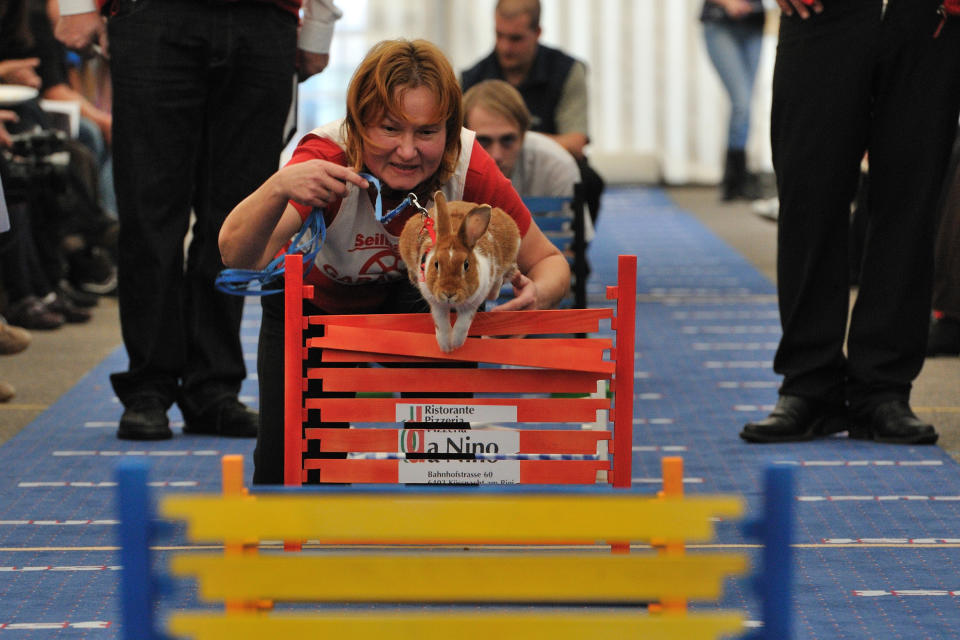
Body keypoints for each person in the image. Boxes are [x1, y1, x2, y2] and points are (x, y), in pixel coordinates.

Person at [218, 39, 571, 485]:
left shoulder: (467, 165)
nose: (407, 151)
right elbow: (237, 256)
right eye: (389, 129)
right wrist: (278, 188)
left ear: (447, 132)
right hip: (320, 307)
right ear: (358, 125)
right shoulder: (326, 158)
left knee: (446, 470)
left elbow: (550, 262)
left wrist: (539, 294)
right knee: (293, 475)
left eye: (426, 132)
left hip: (421, 306)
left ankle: (438, 489)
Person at [54, 0, 342, 441]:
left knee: (241, 214)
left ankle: (215, 387)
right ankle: (149, 386)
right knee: (148, 210)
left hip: (265, 18)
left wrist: (318, 24)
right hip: (151, 14)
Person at [740, 0, 960, 445]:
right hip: (822, 16)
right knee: (808, 199)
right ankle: (807, 383)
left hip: (929, 21)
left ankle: (882, 390)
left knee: (909, 207)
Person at [460, 0, 605, 226]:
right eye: (499, 35)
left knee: (589, 180)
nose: (505, 47)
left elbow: (576, 143)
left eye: (515, 38)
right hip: (486, 169)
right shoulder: (471, 78)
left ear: (537, 32)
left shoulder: (567, 71)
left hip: (544, 171)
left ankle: (575, 246)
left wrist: (518, 142)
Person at [700, 0, 766, 201]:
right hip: (720, 24)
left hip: (753, 23)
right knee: (741, 101)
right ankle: (734, 178)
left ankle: (737, 177)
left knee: (746, 104)